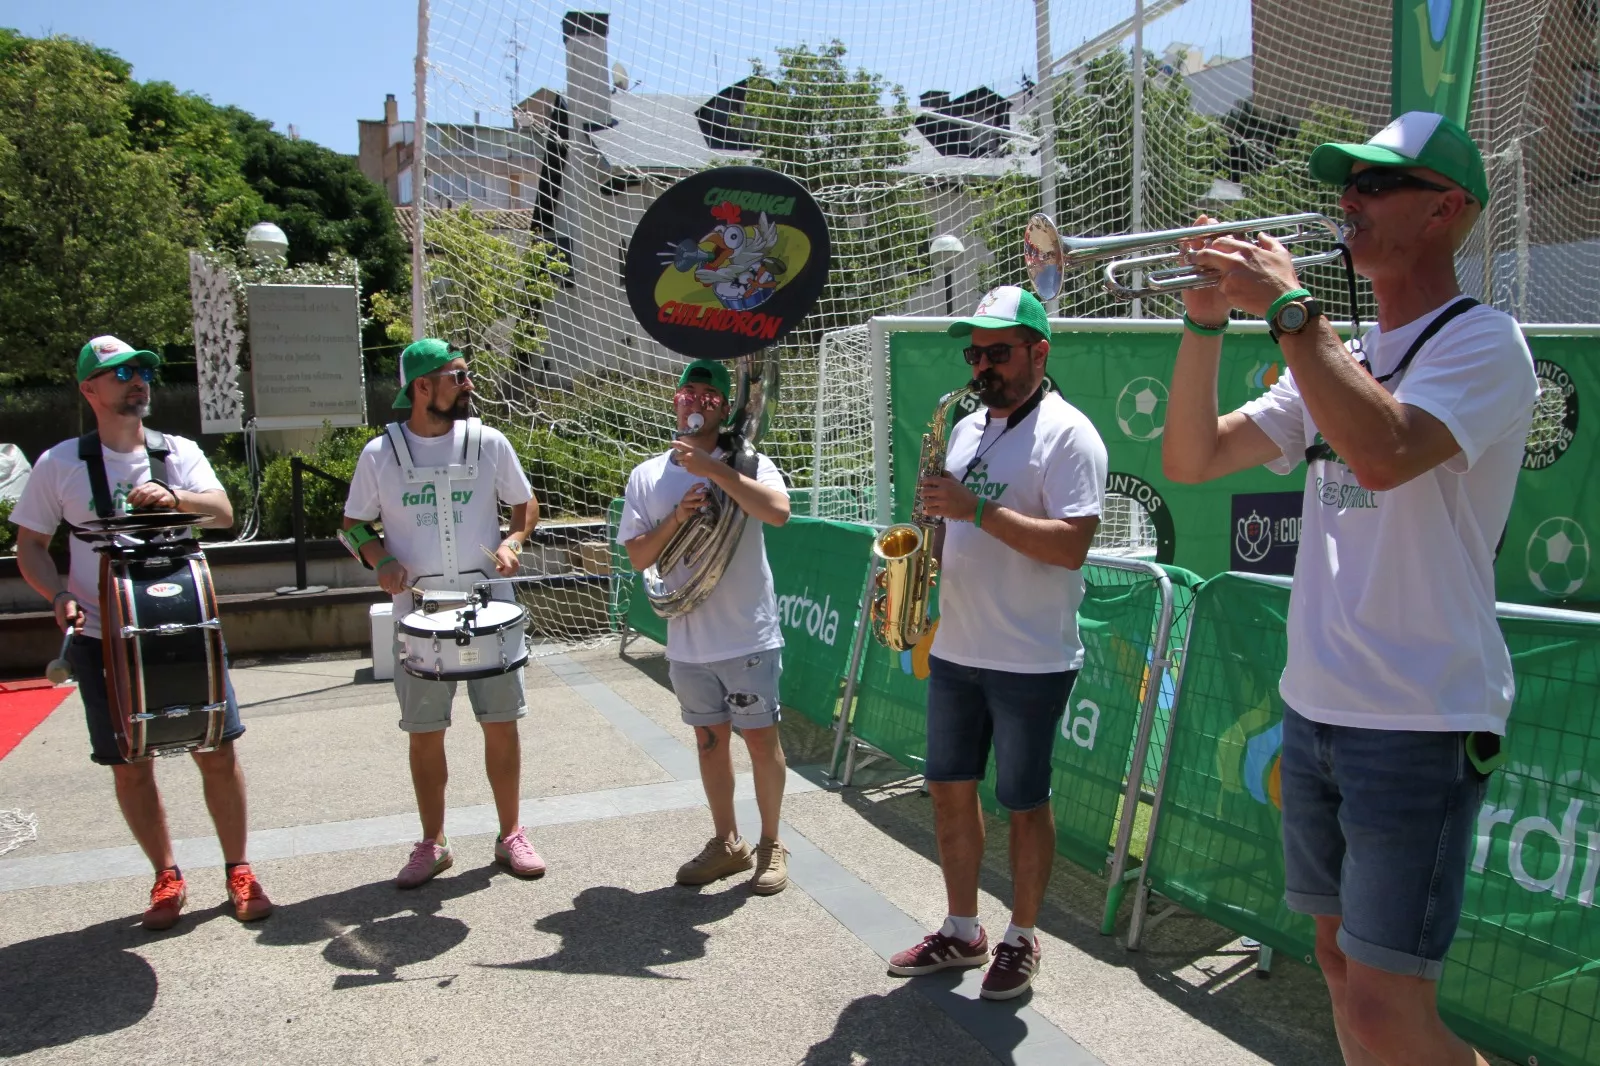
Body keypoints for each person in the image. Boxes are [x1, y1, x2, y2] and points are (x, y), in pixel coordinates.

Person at [1160, 113, 1537, 1065]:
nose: (1350, 201)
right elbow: (1193, 456)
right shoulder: (1339, 350)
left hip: (1419, 717)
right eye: (1349, 185)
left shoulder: (1485, 343)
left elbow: (1385, 452)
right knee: (1338, 966)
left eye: (1377, 186)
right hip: (1318, 708)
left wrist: (1290, 311)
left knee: (1383, 1011)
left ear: (1448, 209)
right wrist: (1206, 323)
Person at [886, 286, 1107, 1001]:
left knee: (1022, 801)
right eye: (974, 352)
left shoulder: (1071, 434)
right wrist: (921, 553)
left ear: (1040, 353)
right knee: (948, 791)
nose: (983, 365)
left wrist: (975, 507)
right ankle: (962, 929)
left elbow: (1072, 545)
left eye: (999, 351)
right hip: (958, 647)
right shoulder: (966, 427)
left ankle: (1022, 936)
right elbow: (954, 531)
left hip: (1031, 658)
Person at [10, 336, 272, 930]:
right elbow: (29, 544)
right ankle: (166, 873)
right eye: (122, 373)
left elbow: (224, 512)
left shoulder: (176, 451)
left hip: (185, 629)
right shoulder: (60, 464)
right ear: (89, 390)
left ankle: (239, 868)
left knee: (217, 750)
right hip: (101, 637)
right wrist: (57, 596)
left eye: (144, 371)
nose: (138, 380)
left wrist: (174, 496)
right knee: (130, 763)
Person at [342, 339, 544, 888]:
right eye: (457, 376)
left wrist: (515, 539)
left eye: (467, 375)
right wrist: (379, 558)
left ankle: (511, 835)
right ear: (421, 386)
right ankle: (432, 843)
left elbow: (525, 503)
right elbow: (353, 523)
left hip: (489, 608)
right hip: (419, 613)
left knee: (501, 724)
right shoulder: (379, 454)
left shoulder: (488, 443)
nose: (468, 385)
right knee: (425, 732)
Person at [618, 359, 793, 894]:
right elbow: (638, 555)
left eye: (708, 395)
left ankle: (770, 844)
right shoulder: (647, 474)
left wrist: (715, 471)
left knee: (761, 742)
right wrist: (677, 518)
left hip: (747, 635)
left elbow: (779, 512)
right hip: (688, 638)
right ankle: (727, 843)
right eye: (687, 392)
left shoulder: (748, 461)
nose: (695, 401)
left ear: (724, 406)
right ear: (675, 402)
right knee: (709, 742)